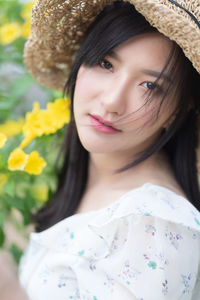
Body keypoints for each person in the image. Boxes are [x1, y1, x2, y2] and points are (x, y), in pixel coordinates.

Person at [1, 0, 200, 299]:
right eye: (106, 64)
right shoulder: (98, 183)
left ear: (181, 109)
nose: (112, 101)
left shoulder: (150, 225)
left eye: (150, 86)